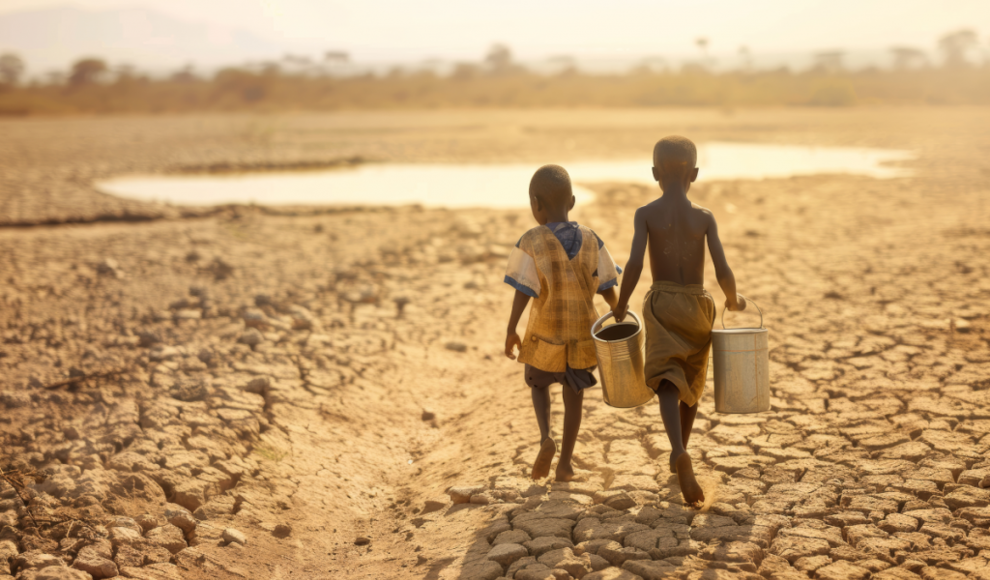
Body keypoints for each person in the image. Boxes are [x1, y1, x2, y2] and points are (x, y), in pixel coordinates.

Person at [613, 136, 746, 507]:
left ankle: (676, 450)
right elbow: (722, 268)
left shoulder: (646, 214)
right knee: (690, 379)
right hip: (698, 305)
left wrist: (623, 303)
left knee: (666, 378)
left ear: (655, 173)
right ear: (695, 174)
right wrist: (732, 301)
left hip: (663, 301)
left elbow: (637, 263)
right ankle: (682, 451)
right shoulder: (704, 217)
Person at [504, 164, 621, 482]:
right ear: (571, 201)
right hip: (583, 338)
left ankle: (545, 437)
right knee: (574, 398)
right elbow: (609, 285)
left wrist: (512, 329)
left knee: (537, 384)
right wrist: (618, 310)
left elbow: (523, 290)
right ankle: (565, 464)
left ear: (535, 205)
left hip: (545, 337)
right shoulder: (591, 238)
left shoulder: (531, 241)